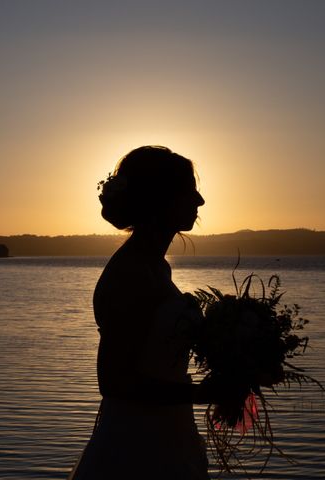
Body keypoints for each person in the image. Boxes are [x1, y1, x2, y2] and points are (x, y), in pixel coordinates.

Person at [68, 146, 209, 480]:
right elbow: (116, 382)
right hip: (137, 450)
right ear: (162, 198)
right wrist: (205, 393)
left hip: (169, 435)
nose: (199, 201)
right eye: (190, 190)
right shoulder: (130, 272)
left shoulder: (154, 266)